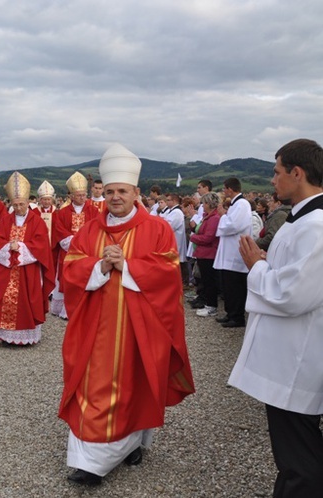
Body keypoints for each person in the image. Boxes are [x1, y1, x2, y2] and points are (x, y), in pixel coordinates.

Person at [59, 143, 194, 486]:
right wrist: (101, 264)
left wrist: (129, 265)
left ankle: (133, 442)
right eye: (110, 191)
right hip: (95, 326)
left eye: (123, 191)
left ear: (136, 192)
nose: (116, 197)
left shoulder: (157, 228)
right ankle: (91, 462)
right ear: (102, 192)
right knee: (95, 386)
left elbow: (167, 274)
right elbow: (71, 269)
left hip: (138, 326)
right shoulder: (89, 231)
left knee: (136, 383)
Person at [229, 138, 323, 497]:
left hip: (298, 359)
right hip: (290, 354)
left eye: (276, 171)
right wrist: (266, 266)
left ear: (297, 173)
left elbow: (292, 294)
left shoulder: (316, 226)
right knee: (294, 449)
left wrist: (257, 267)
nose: (272, 180)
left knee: (299, 456)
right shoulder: (305, 221)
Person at [0, 172, 54, 345]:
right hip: (6, 268)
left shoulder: (37, 221)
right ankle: (5, 334)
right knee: (4, 297)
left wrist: (21, 247)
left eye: (21, 204)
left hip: (27, 269)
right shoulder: (6, 220)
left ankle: (25, 335)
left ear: (28, 203)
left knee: (27, 299)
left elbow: (41, 244)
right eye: (15, 204)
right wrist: (9, 246)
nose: (18, 208)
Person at [50, 172, 98, 319]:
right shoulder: (62, 213)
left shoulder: (93, 211)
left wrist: (83, 241)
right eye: (78, 195)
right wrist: (74, 241)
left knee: (85, 277)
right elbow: (58, 230)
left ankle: (85, 310)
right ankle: (65, 310)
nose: (82, 198)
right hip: (68, 252)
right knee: (67, 278)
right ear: (71, 196)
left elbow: (96, 229)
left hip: (87, 252)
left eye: (84, 195)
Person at [214, 177, 253, 328]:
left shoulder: (242, 204)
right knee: (228, 286)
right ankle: (230, 313)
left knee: (235, 286)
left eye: (224, 188)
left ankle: (237, 317)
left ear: (230, 188)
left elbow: (234, 225)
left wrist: (223, 215)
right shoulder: (235, 204)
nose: (224, 191)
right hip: (229, 252)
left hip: (235, 254)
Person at [190, 192, 221, 317]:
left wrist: (193, 237)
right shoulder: (208, 217)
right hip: (204, 253)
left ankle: (211, 306)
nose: (202, 205)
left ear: (208, 204)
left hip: (208, 254)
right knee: (206, 280)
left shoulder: (214, 219)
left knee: (209, 281)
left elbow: (208, 237)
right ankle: (209, 304)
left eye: (204, 203)